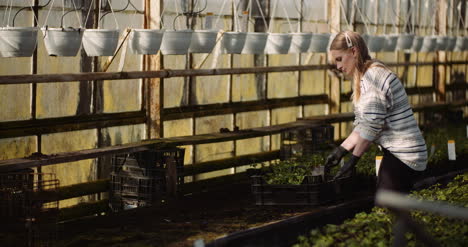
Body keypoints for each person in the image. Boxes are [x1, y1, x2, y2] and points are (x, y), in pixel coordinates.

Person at [324, 31, 427, 194]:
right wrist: (341, 150)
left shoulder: (373, 77)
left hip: (404, 155)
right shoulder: (365, 77)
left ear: (353, 52)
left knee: (386, 207)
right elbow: (364, 123)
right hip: (399, 153)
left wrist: (353, 160)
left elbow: (373, 125)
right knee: (391, 208)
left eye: (339, 59)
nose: (338, 67)